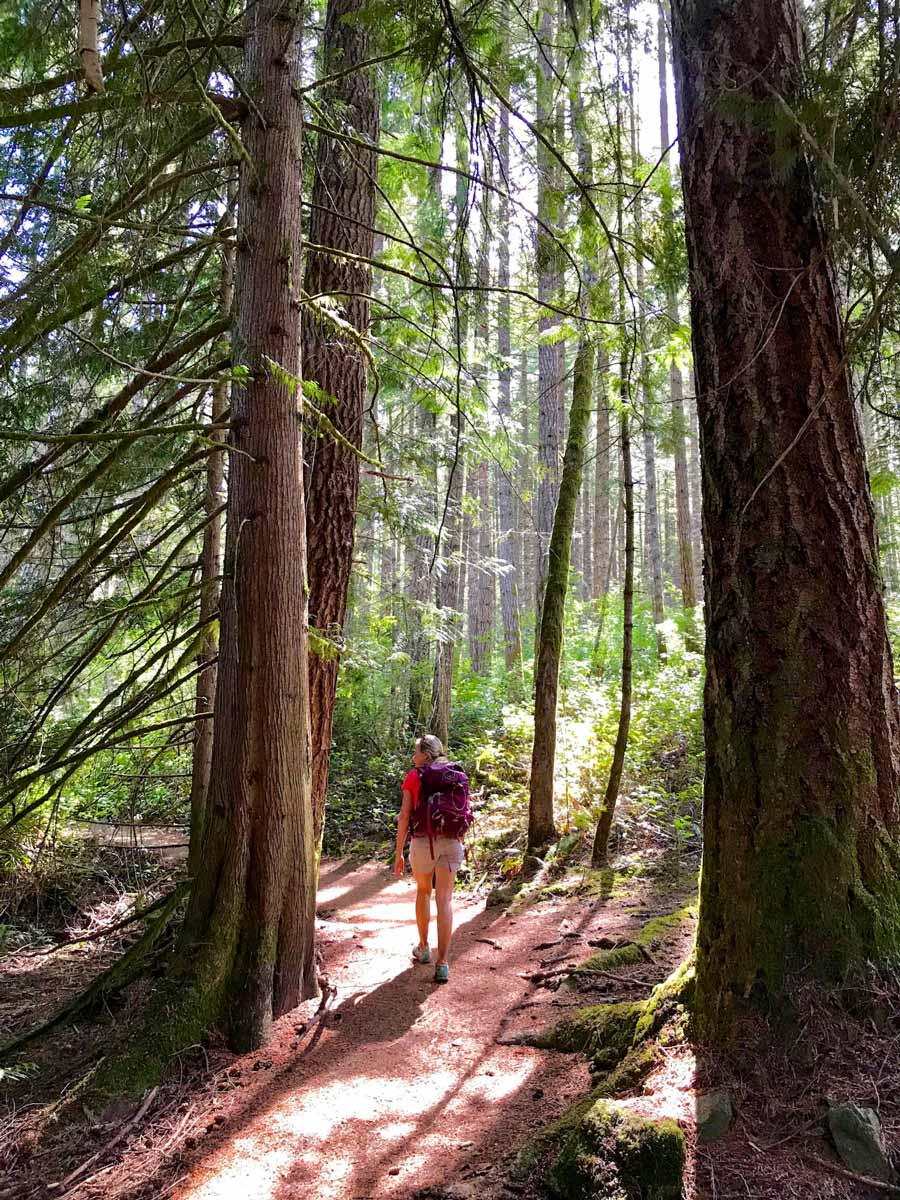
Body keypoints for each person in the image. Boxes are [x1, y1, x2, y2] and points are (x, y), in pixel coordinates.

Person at [393, 733, 465, 983]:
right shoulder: (454, 773)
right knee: (445, 899)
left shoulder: (415, 776)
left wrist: (398, 853)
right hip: (452, 842)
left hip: (423, 842)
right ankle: (443, 963)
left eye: (415, 752)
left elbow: (404, 817)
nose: (413, 757)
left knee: (424, 892)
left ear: (425, 755)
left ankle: (424, 948)